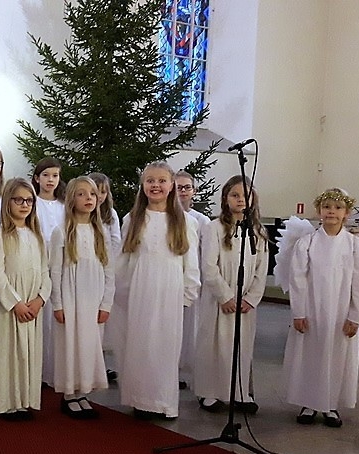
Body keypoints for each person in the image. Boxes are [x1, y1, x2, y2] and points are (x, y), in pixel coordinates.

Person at [113, 161, 200, 420]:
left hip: (170, 291)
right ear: (143, 185)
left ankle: (164, 402)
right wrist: (122, 292)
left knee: (165, 348)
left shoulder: (185, 221)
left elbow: (190, 263)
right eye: (150, 180)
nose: (156, 185)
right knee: (141, 345)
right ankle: (140, 399)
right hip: (141, 290)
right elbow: (124, 260)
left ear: (172, 185)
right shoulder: (133, 219)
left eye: (162, 181)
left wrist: (187, 294)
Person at [283, 188, 359, 428]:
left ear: (347, 213)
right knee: (310, 355)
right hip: (312, 310)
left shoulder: (355, 246)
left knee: (337, 356)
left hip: (341, 314)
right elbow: (298, 279)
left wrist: (355, 316)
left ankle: (331, 404)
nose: (332, 211)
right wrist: (299, 312)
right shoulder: (307, 243)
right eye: (327, 207)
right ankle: (308, 403)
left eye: (338, 207)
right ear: (319, 211)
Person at [194, 176, 268, 414]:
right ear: (226, 198)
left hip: (245, 301)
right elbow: (208, 266)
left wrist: (251, 298)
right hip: (219, 300)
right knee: (214, 345)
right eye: (235, 195)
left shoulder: (258, 231)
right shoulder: (214, 228)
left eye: (246, 196)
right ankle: (210, 392)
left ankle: (239, 392)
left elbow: (261, 269)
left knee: (241, 347)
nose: (240, 200)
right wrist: (225, 296)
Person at [49, 176, 114, 419]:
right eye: (82, 194)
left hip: (94, 297)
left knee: (89, 344)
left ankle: (83, 392)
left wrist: (106, 303)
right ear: (71, 199)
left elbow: (109, 270)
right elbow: (55, 270)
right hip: (71, 296)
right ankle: (69, 394)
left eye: (93, 194)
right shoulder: (62, 231)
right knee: (71, 344)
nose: (89, 198)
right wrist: (58, 303)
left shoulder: (101, 232)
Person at [0, 178, 51, 420]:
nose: (25, 205)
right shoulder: (0, 235)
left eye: (29, 201)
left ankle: (26, 400)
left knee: (29, 353)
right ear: (8, 202)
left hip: (33, 302)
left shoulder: (37, 235)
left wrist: (40, 299)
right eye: (19, 200)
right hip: (11, 304)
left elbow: (45, 270)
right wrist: (15, 303)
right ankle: (8, 403)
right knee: (9, 353)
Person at [174, 170, 210, 390]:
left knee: (191, 328)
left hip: (193, 280)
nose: (183, 192)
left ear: (194, 191)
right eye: (178, 187)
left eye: (187, 187)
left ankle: (191, 371)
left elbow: (206, 253)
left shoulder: (201, 221)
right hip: (170, 280)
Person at [32, 157, 65, 387]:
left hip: (60, 263)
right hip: (39, 261)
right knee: (42, 321)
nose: (50, 180)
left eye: (55, 175)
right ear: (37, 178)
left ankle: (56, 372)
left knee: (57, 316)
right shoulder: (33, 202)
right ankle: (41, 372)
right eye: (46, 175)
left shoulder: (63, 205)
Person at [90, 172, 121, 383]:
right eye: (96, 192)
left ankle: (105, 364)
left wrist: (109, 262)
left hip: (106, 267)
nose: (99, 196)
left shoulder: (111, 215)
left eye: (103, 192)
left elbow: (116, 241)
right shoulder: (82, 213)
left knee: (105, 320)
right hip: (88, 268)